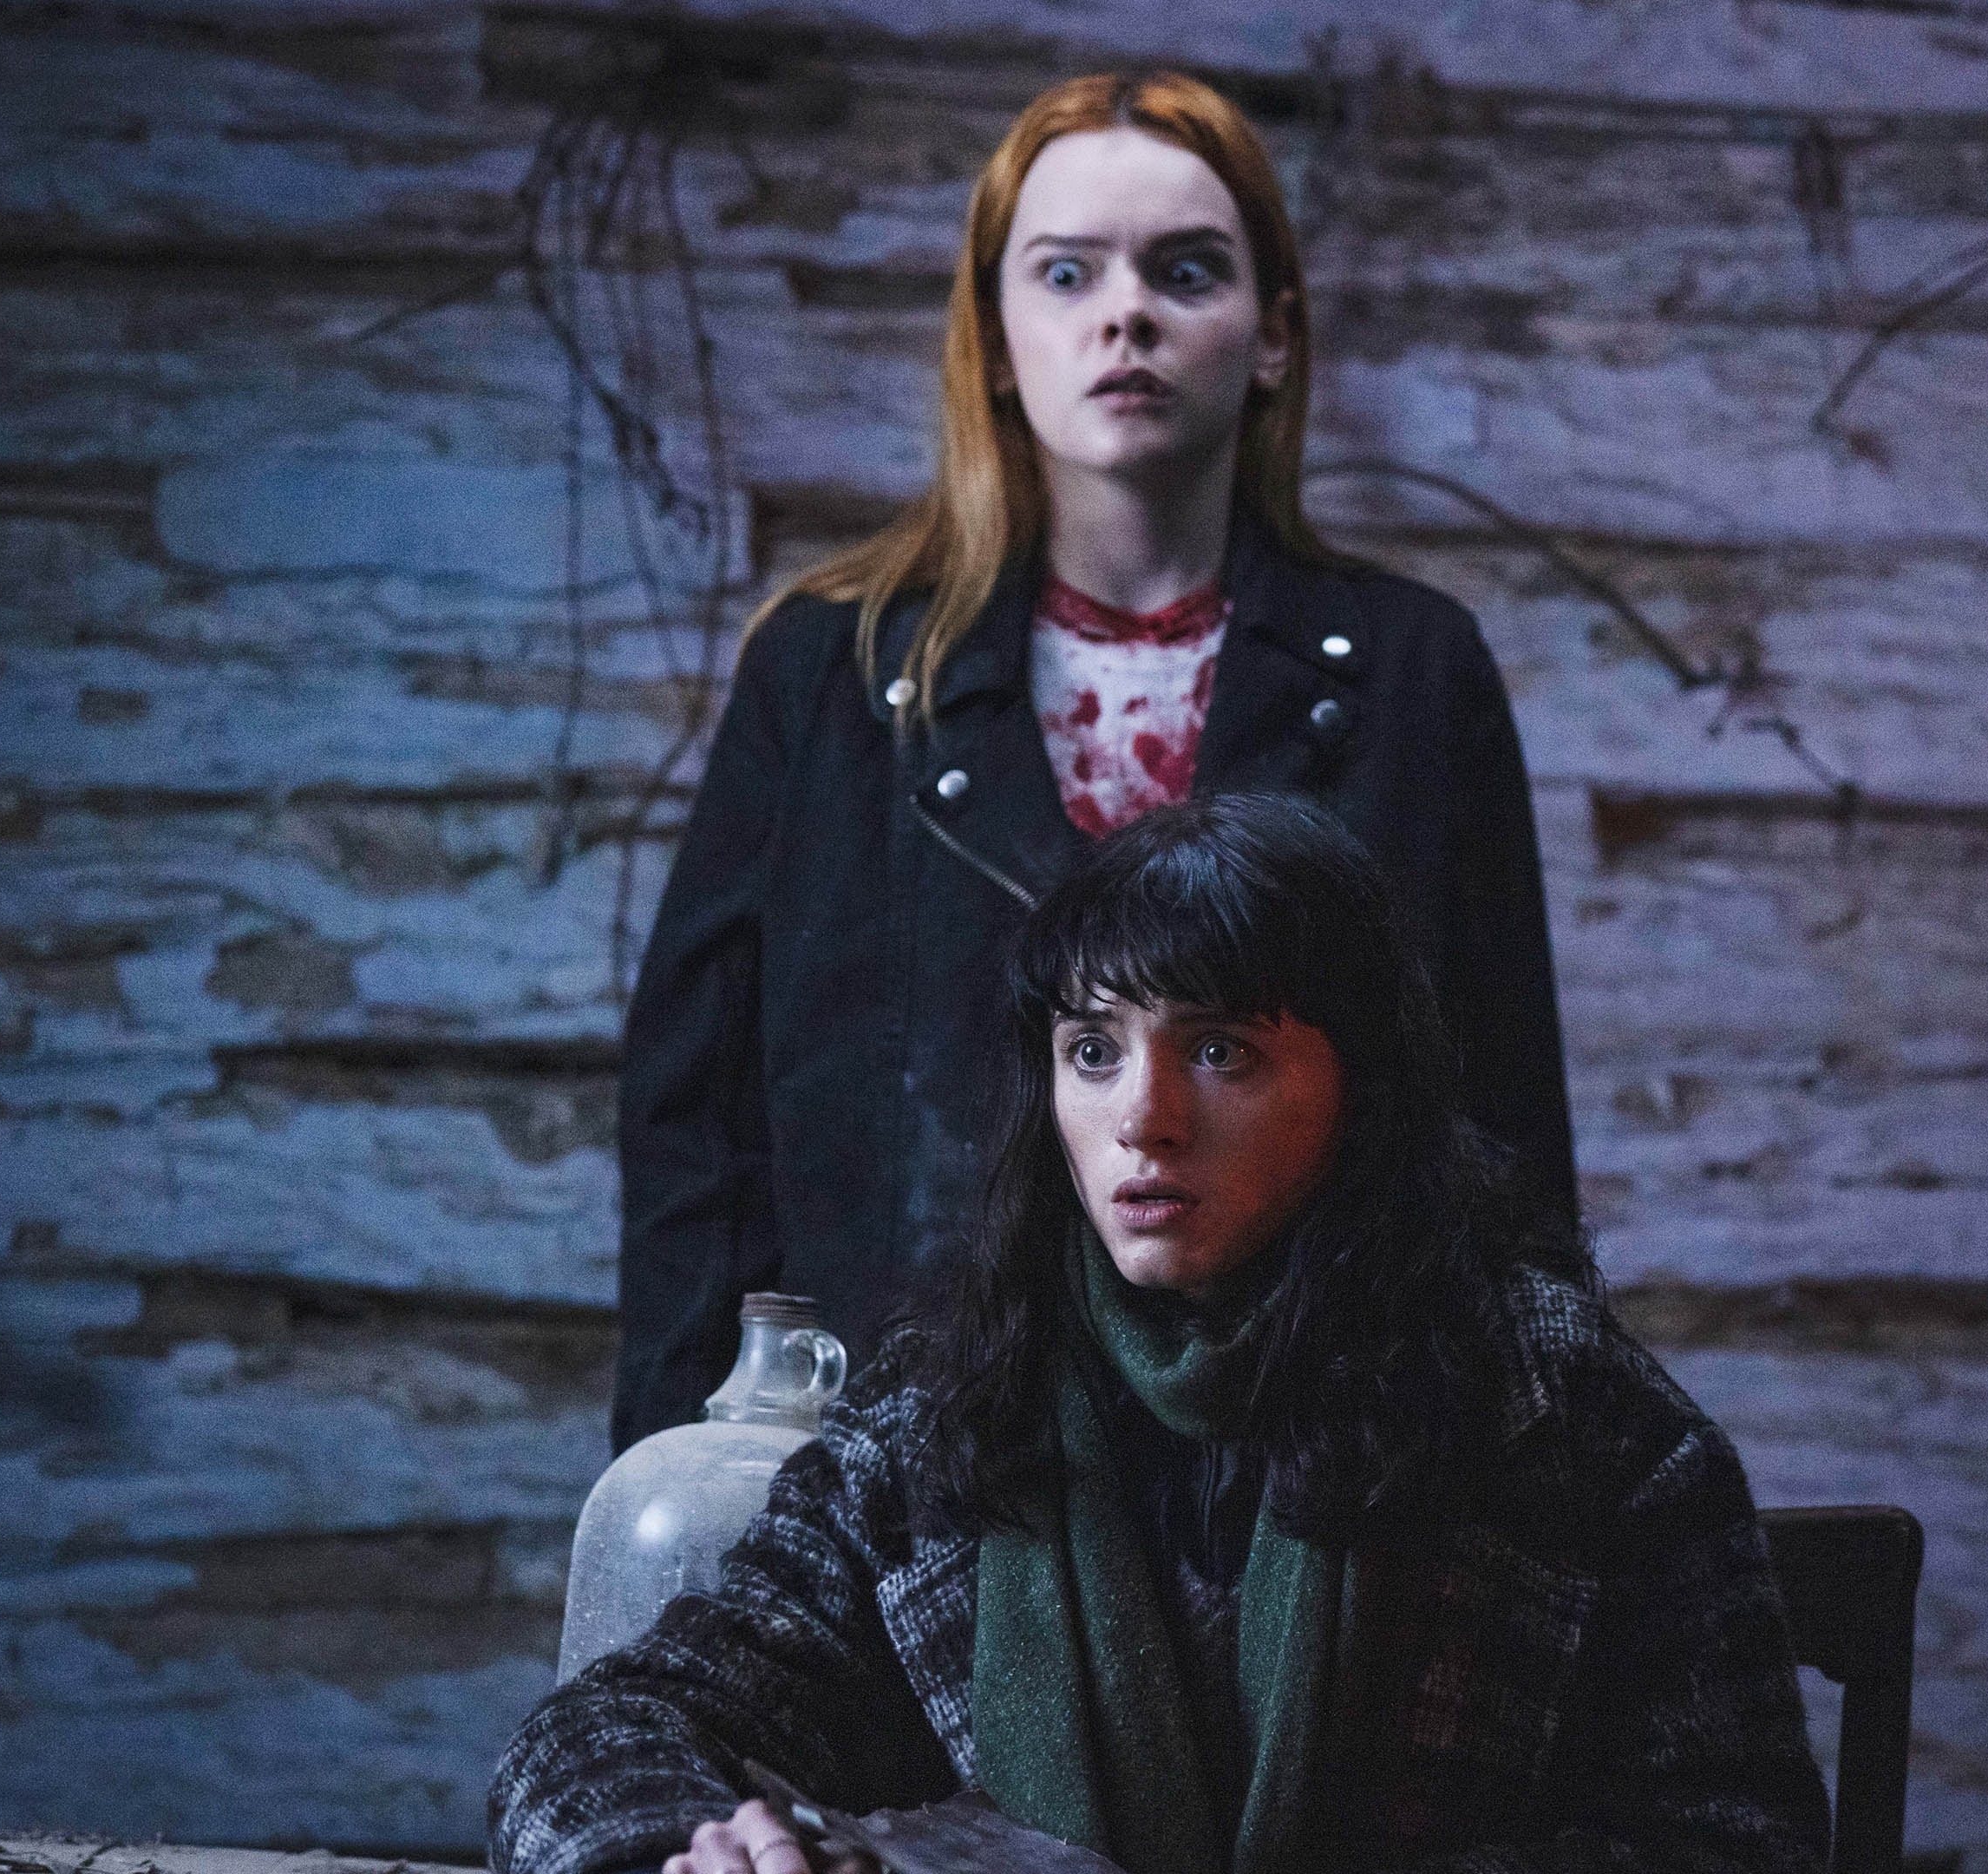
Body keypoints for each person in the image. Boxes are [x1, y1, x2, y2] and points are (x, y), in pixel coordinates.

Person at [494, 793, 1828, 1874]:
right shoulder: (955, 1405)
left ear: (1361, 1085)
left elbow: (1741, 1840)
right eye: (1094, 1049)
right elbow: (597, 1737)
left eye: (1221, 1051)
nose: (1143, 1118)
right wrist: (694, 1848)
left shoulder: (1557, 1411)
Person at [613, 71, 1576, 1451]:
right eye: (1067, 272)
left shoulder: (1414, 674)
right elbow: (697, 1138)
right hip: (915, 1461)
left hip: (1315, 1461)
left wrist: (1529, 1474)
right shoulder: (832, 675)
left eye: (1186, 270)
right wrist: (685, 1487)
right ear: (998, 339)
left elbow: (1503, 1132)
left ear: (1274, 336)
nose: (1126, 313)